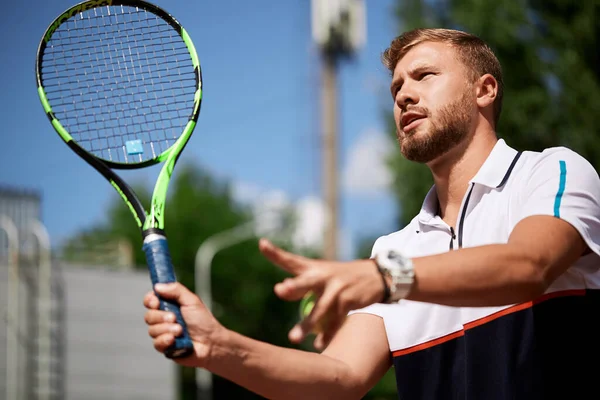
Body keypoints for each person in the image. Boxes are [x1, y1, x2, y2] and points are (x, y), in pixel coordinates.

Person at [143, 28, 600, 399]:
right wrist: (218, 347)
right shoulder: (395, 249)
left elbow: (529, 264)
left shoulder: (551, 172)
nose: (403, 96)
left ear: (484, 89)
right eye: (397, 87)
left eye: (424, 76)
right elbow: (338, 378)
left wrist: (387, 277)